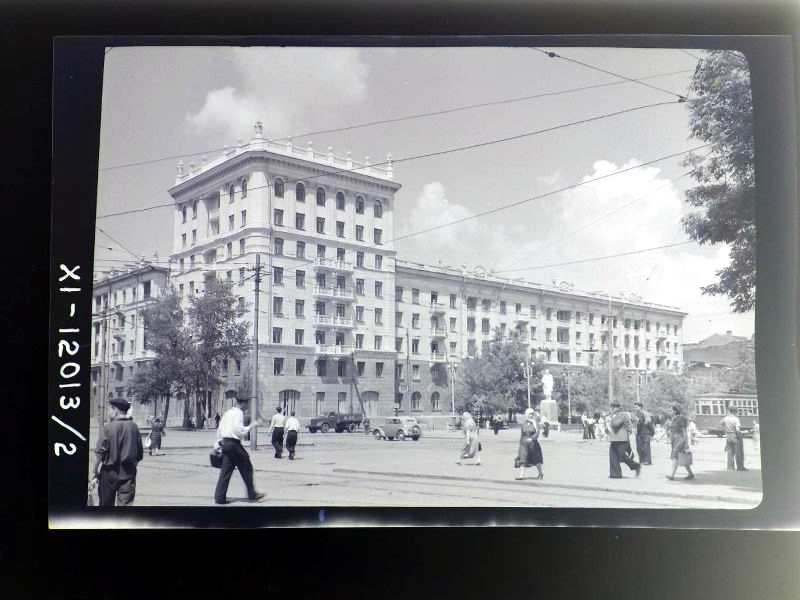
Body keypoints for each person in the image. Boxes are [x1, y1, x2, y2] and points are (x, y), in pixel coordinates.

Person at [91, 397, 144, 506]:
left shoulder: (108, 428)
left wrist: (94, 471)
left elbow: (99, 453)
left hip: (108, 473)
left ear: (115, 410)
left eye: (110, 409)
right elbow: (139, 455)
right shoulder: (134, 427)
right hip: (128, 473)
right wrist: (130, 468)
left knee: (105, 506)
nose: (108, 413)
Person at [214, 397, 264, 504]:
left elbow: (220, 429)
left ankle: (219, 496)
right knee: (247, 466)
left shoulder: (227, 413)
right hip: (233, 443)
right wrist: (253, 425)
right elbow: (239, 429)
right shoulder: (238, 413)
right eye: (246, 404)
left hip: (225, 443)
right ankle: (252, 494)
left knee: (226, 470)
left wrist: (217, 443)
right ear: (242, 403)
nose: (247, 407)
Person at [607, 401, 641, 479]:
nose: (612, 409)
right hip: (614, 438)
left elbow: (616, 424)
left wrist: (609, 420)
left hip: (622, 438)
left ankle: (636, 466)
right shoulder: (613, 415)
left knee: (622, 456)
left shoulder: (623, 414)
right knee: (613, 455)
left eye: (613, 407)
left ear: (618, 408)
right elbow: (610, 426)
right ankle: (615, 474)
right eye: (612, 407)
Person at [666, 404, 695, 480]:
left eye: (671, 410)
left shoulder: (681, 418)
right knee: (682, 456)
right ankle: (691, 474)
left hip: (680, 439)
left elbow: (684, 430)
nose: (669, 411)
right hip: (674, 440)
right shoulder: (673, 419)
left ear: (675, 411)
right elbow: (670, 430)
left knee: (675, 456)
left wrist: (686, 443)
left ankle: (671, 475)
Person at [515, 408, 543, 480]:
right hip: (524, 444)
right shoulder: (524, 423)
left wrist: (532, 438)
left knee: (536, 459)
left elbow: (537, 432)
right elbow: (522, 434)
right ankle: (521, 476)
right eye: (529, 414)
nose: (531, 415)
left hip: (533, 444)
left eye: (532, 414)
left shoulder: (535, 423)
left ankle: (540, 473)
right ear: (526, 414)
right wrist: (520, 444)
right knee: (522, 458)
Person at [720, 406, 747, 471]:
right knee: (738, 452)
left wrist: (725, 429)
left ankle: (730, 467)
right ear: (734, 411)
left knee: (730, 452)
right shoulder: (736, 419)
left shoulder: (725, 418)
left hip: (728, 436)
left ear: (729, 411)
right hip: (735, 436)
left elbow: (721, 423)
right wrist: (741, 435)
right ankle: (740, 467)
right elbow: (737, 430)